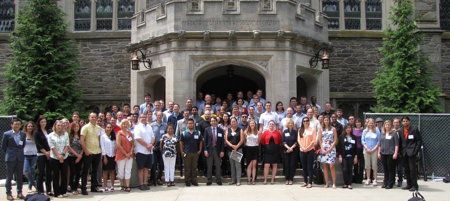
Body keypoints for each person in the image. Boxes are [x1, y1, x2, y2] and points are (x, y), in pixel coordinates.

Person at [2, 118, 26, 200]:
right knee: (9, 177)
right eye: (15, 124)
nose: (17, 125)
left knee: (19, 176)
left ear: (20, 125)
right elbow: (3, 147)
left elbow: (22, 145)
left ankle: (19, 193)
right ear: (12, 125)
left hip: (20, 158)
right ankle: (9, 194)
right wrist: (10, 153)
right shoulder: (6, 134)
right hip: (10, 159)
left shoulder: (23, 134)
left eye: (18, 124)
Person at [80, 113, 102, 195]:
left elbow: (100, 140)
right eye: (92, 117)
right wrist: (86, 151)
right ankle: (83, 188)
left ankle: (94, 187)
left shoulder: (99, 128)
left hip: (97, 152)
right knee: (85, 171)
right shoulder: (85, 127)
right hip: (88, 152)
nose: (93, 118)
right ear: (89, 118)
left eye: (95, 117)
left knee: (95, 171)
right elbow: (82, 140)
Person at [399, 116, 422, 191]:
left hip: (412, 153)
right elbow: (400, 142)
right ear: (402, 123)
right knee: (406, 170)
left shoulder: (414, 129)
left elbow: (419, 141)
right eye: (404, 121)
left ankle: (415, 186)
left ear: (409, 121)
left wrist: (415, 152)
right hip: (404, 153)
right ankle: (409, 185)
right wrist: (400, 152)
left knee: (413, 170)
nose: (405, 122)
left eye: (406, 121)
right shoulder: (401, 130)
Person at [48, 120, 70, 198]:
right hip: (54, 158)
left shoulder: (66, 134)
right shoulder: (50, 135)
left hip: (64, 157)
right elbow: (52, 147)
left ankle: (63, 191)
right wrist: (59, 156)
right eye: (58, 125)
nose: (60, 127)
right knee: (56, 175)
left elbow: (67, 145)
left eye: (61, 125)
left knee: (64, 175)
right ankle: (57, 193)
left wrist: (62, 155)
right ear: (55, 126)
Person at [134, 114, 155, 190]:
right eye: (142, 117)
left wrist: (151, 144)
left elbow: (153, 137)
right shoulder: (137, 127)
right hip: (140, 151)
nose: (144, 118)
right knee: (141, 169)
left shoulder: (149, 126)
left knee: (146, 168)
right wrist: (147, 145)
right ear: (139, 118)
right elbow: (137, 138)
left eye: (145, 117)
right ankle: (141, 184)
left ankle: (145, 183)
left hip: (149, 151)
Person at [180, 118, 203, 186]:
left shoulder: (198, 132)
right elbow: (181, 142)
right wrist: (182, 151)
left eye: (192, 123)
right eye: (189, 123)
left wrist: (200, 150)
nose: (190, 124)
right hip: (187, 153)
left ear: (194, 124)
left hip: (195, 153)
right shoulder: (184, 133)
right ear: (187, 124)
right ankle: (187, 181)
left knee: (194, 168)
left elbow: (201, 141)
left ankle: (194, 180)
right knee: (187, 168)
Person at [318, 115, 338, 188]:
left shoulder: (333, 129)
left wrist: (330, 148)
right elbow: (320, 140)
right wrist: (322, 148)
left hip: (331, 149)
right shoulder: (321, 129)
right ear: (323, 121)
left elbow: (335, 140)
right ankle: (327, 183)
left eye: (327, 120)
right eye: (325, 120)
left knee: (332, 166)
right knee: (325, 166)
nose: (326, 121)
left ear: (329, 121)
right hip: (323, 149)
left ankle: (334, 183)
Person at [203, 117, 225, 186]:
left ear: (216, 122)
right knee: (209, 166)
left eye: (214, 121)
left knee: (218, 166)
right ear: (210, 122)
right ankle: (209, 180)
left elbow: (222, 142)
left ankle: (218, 180)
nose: (213, 122)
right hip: (209, 150)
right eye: (212, 121)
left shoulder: (221, 130)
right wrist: (205, 150)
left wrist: (222, 151)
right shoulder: (207, 130)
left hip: (218, 150)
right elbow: (205, 141)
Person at [378, 120, 399, 189]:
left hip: (391, 153)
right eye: (386, 125)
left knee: (391, 169)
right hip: (383, 153)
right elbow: (380, 144)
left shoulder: (394, 133)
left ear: (391, 126)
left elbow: (396, 144)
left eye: (389, 125)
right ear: (384, 126)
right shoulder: (382, 133)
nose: (387, 126)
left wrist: (395, 153)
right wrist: (379, 152)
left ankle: (390, 183)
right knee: (385, 169)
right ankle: (385, 182)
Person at [35, 116, 52, 195]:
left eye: (44, 122)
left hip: (49, 154)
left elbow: (51, 142)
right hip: (41, 155)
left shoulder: (49, 131)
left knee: (49, 173)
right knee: (40, 173)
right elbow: (38, 145)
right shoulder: (36, 132)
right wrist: (46, 152)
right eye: (42, 122)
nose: (43, 123)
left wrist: (49, 152)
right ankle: (40, 190)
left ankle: (49, 190)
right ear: (39, 123)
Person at [260, 120, 282, 184]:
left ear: (274, 125)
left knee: (274, 165)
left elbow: (280, 141)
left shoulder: (277, 132)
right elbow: (262, 141)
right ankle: (265, 179)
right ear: (268, 125)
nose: (271, 125)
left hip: (275, 150)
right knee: (266, 165)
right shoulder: (265, 132)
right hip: (267, 151)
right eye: (270, 124)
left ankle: (272, 179)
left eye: (272, 124)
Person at [115, 119, 134, 192]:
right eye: (123, 124)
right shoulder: (119, 133)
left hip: (129, 155)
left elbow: (133, 144)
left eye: (126, 124)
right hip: (121, 155)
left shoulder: (130, 134)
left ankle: (127, 186)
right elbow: (118, 145)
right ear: (121, 125)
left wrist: (130, 153)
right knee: (121, 171)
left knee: (128, 170)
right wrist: (126, 154)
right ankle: (122, 184)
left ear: (128, 125)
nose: (124, 125)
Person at [298, 116, 317, 188]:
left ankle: (310, 182)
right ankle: (305, 181)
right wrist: (303, 148)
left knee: (309, 167)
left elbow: (314, 140)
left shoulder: (312, 130)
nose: (306, 122)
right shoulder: (300, 130)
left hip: (310, 150)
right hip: (302, 150)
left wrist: (307, 148)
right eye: (304, 121)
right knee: (304, 167)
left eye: (307, 121)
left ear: (309, 122)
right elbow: (299, 140)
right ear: (302, 122)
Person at [225, 117, 244, 186]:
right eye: (232, 121)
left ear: (237, 122)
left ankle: (238, 181)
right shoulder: (228, 130)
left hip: (238, 150)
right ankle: (233, 180)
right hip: (230, 150)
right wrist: (232, 146)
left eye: (234, 121)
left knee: (237, 165)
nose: (233, 123)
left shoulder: (240, 130)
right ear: (230, 123)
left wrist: (236, 146)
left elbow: (242, 140)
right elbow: (226, 140)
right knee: (232, 165)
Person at [362, 118, 381, 186]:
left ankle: (375, 179)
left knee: (374, 165)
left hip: (374, 150)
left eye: (372, 123)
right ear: (367, 123)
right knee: (367, 165)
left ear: (374, 123)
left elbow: (379, 141)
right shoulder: (365, 131)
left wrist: (374, 149)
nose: (371, 124)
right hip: (366, 150)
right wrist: (366, 148)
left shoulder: (377, 130)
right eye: (369, 123)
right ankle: (368, 179)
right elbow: (362, 140)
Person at [338, 125, 357, 189]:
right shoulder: (341, 137)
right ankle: (345, 183)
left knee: (350, 169)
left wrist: (355, 157)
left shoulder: (354, 137)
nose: (348, 129)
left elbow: (355, 148)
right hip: (344, 156)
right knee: (345, 169)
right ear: (345, 129)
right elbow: (339, 147)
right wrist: (340, 156)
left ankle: (349, 184)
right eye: (347, 128)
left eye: (349, 128)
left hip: (351, 156)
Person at [67, 122, 83, 195]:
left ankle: (76, 187)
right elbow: (68, 147)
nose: (76, 128)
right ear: (72, 127)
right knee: (72, 172)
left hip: (79, 157)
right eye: (75, 126)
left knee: (78, 173)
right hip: (71, 156)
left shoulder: (81, 135)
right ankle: (72, 187)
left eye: (77, 126)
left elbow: (84, 146)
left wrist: (80, 156)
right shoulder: (70, 135)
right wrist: (77, 155)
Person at [100, 123, 117, 192]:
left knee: (112, 171)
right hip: (106, 156)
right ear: (105, 128)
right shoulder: (103, 136)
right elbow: (102, 147)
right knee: (105, 171)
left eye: (110, 127)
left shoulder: (113, 136)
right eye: (108, 127)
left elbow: (115, 146)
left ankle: (112, 186)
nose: (109, 128)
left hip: (113, 155)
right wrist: (104, 157)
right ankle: (105, 186)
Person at [282, 119, 298, 185]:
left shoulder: (295, 132)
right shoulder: (285, 131)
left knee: (292, 165)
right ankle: (287, 179)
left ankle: (291, 179)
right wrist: (288, 148)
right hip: (286, 150)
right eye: (289, 123)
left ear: (293, 124)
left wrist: (291, 148)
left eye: (291, 123)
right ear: (287, 124)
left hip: (293, 150)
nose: (290, 124)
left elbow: (297, 141)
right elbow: (283, 141)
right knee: (286, 165)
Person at [23, 121, 37, 192]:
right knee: (26, 171)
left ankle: (30, 187)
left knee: (32, 171)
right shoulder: (23, 135)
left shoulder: (35, 135)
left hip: (34, 155)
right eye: (29, 126)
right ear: (26, 127)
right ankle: (34, 183)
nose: (30, 127)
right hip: (25, 155)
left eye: (31, 126)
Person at [244, 120, 259, 185]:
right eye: (251, 123)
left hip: (255, 149)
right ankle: (248, 180)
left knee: (254, 166)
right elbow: (244, 141)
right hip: (248, 149)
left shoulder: (258, 132)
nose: (252, 124)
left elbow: (259, 142)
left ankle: (253, 180)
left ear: (255, 124)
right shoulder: (246, 131)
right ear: (249, 124)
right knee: (249, 165)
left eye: (253, 123)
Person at [352, 119, 365, 184]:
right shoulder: (353, 130)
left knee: (362, 165)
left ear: (361, 123)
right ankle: (356, 178)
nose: (358, 123)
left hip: (362, 149)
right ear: (355, 123)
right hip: (355, 149)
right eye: (357, 122)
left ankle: (360, 179)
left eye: (359, 122)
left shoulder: (364, 130)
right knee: (355, 164)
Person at [392, 117, 404, 187]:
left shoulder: (402, 131)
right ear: (393, 123)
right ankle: (392, 180)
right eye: (394, 122)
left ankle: (400, 181)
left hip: (400, 153)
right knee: (392, 168)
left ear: (399, 123)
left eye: (397, 122)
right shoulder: (390, 131)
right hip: (391, 153)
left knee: (400, 169)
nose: (396, 124)